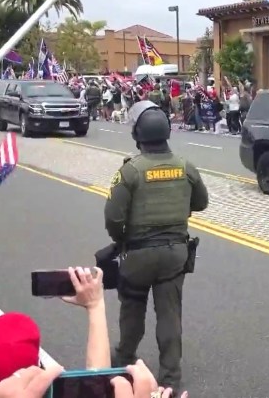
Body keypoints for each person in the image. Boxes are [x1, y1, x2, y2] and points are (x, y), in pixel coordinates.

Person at [104, 100, 209, 390]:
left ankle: (123, 360)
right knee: (169, 315)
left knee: (133, 308)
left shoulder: (130, 171)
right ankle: (170, 381)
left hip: (137, 254)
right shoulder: (185, 167)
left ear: (137, 135)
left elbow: (113, 216)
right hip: (175, 254)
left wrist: (120, 240)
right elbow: (201, 202)